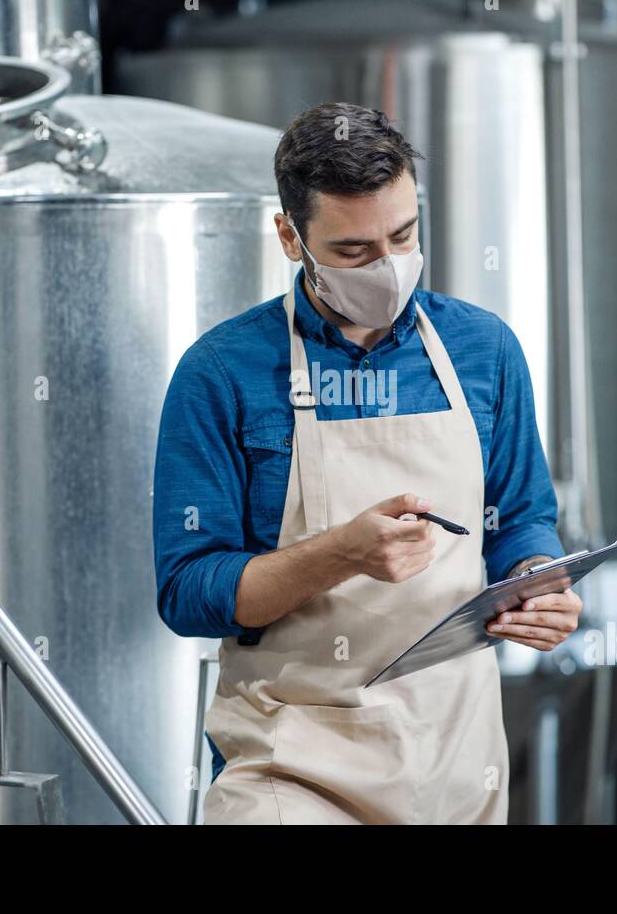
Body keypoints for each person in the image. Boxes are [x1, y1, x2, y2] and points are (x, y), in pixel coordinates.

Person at [152, 102, 581, 824]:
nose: (387, 267)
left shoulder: (483, 350)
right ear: (291, 237)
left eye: (404, 236)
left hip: (453, 751)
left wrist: (535, 581)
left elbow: (520, 518)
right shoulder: (222, 372)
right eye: (354, 251)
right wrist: (340, 553)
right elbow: (189, 590)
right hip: (293, 764)